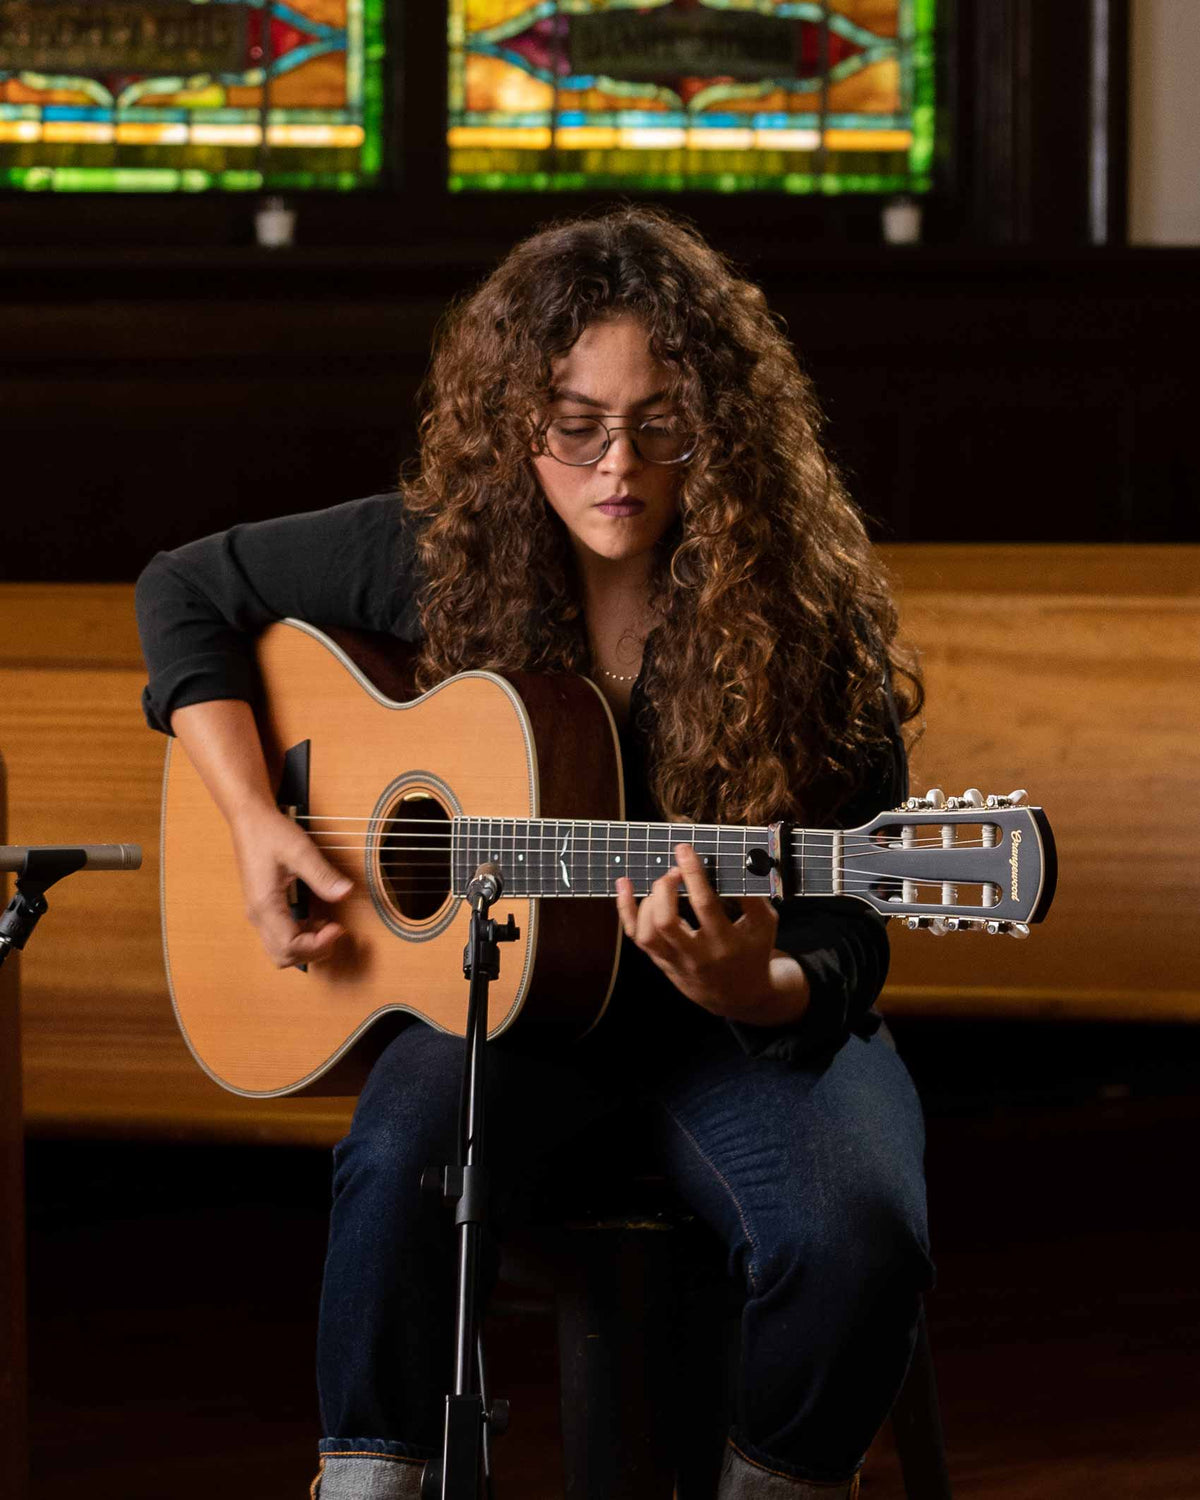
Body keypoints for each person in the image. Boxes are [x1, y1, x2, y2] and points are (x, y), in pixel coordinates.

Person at [135, 205, 933, 1500]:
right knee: (394, 1162)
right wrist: (257, 818)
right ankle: (373, 1485)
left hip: (735, 1037)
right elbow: (184, 590)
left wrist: (761, 986)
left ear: (720, 425)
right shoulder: (440, 557)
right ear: (519, 420)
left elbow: (851, 920)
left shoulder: (802, 616)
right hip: (502, 1016)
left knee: (859, 1237)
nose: (616, 463)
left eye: (661, 421)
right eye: (575, 423)